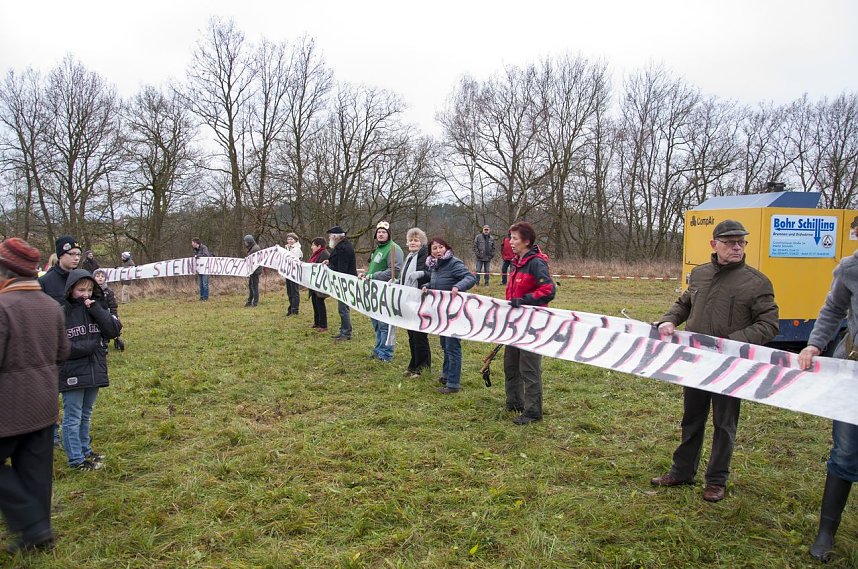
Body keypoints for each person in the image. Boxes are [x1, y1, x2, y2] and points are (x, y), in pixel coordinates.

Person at [650, 220, 778, 502]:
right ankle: (682, 471)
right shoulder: (700, 274)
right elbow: (684, 303)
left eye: (741, 242)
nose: (736, 247)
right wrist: (669, 320)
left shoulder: (756, 282)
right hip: (696, 361)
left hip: (730, 365)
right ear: (714, 244)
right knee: (692, 418)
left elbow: (769, 325)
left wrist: (733, 341)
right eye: (730, 242)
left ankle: (716, 481)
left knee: (724, 423)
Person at [0, 238, 69, 553]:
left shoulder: (3, 307)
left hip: (9, 408)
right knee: (36, 471)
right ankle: (38, 538)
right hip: (44, 402)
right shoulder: (51, 306)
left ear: (6, 271)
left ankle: (32, 523)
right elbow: (62, 352)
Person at [798, 249, 858, 562]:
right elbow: (833, 310)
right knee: (846, 451)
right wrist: (815, 343)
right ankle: (826, 531)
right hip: (853, 374)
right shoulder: (850, 267)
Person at [59, 269, 121, 471]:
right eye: (80, 290)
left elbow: (113, 330)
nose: (85, 294)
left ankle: (85, 450)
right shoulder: (62, 313)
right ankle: (75, 459)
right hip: (72, 371)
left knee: (86, 413)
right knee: (72, 416)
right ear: (71, 290)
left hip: (94, 368)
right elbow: (57, 346)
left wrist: (96, 309)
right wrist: (86, 347)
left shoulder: (97, 307)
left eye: (88, 289)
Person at [504, 222, 556, 425]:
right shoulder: (516, 263)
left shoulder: (536, 263)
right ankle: (514, 402)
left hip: (532, 324)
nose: (511, 242)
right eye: (510, 238)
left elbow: (548, 291)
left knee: (529, 368)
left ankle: (533, 411)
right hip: (514, 324)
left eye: (515, 238)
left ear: (526, 241)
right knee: (511, 365)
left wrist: (525, 300)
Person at [422, 237, 476, 394]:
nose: (438, 251)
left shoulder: (453, 263)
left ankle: (453, 384)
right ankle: (446, 375)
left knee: (453, 347)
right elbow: (436, 283)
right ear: (430, 252)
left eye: (440, 247)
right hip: (441, 313)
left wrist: (458, 286)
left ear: (446, 248)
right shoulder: (434, 266)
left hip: (454, 312)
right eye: (434, 248)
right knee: (445, 344)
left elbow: (470, 278)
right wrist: (427, 287)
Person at [363, 221, 404, 363]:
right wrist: (366, 274)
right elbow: (374, 268)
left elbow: (394, 271)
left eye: (383, 232)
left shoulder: (393, 249)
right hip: (373, 292)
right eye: (379, 232)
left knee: (385, 324)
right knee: (376, 322)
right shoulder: (378, 249)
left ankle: (386, 354)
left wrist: (373, 276)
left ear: (389, 234)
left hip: (386, 292)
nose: (380, 234)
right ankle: (379, 348)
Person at [400, 228, 431, 377]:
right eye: (411, 240)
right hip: (408, 299)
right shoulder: (409, 257)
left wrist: (422, 274)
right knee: (411, 334)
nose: (413, 243)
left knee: (419, 335)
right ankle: (413, 364)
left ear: (422, 242)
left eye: (416, 240)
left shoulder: (426, 256)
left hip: (420, 299)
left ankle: (423, 367)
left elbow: (432, 274)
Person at [325, 226, 357, 341]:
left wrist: (329, 268)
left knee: (343, 308)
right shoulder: (341, 246)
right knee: (343, 308)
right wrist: (329, 262)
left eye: (330, 236)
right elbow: (336, 262)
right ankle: (344, 330)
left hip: (344, 282)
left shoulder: (343, 248)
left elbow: (342, 268)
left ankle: (346, 332)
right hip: (343, 281)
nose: (329, 238)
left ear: (335, 236)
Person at [38, 236, 81, 304]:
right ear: (60, 255)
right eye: (72, 254)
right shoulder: (44, 282)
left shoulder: (82, 278)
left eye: (79, 254)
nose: (76, 258)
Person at [93, 269, 124, 352]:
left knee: (114, 324)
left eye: (102, 276)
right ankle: (102, 341)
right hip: (96, 313)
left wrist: (114, 315)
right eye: (98, 276)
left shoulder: (109, 292)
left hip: (107, 313)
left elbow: (113, 305)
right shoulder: (92, 291)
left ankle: (110, 339)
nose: (100, 278)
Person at [308, 238, 330, 332]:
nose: (311, 247)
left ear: (319, 246)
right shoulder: (316, 254)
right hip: (313, 283)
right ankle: (317, 322)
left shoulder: (325, 254)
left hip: (320, 283)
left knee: (320, 303)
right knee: (315, 302)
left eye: (313, 245)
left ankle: (323, 325)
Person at [283, 233, 302, 315]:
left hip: (294, 272)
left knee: (294, 291)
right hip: (288, 272)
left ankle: (295, 309)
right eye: (288, 239)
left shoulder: (296, 249)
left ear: (295, 240)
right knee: (289, 292)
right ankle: (291, 308)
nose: (290, 241)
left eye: (291, 239)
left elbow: (295, 261)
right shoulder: (287, 248)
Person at [244, 235, 261, 307]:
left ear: (249, 241)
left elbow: (253, 259)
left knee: (254, 286)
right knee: (251, 285)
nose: (245, 243)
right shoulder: (253, 248)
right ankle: (250, 301)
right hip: (252, 270)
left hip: (255, 270)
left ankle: (255, 302)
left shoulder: (255, 248)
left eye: (246, 242)